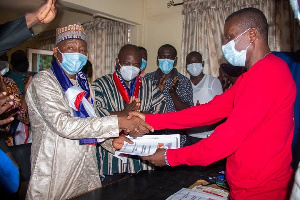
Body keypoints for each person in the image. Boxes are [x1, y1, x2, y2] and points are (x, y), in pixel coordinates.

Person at [120, 8, 296, 200]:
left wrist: (171, 157)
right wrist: (150, 119)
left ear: (252, 34)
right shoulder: (250, 77)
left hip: (264, 191)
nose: (225, 45)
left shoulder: (269, 74)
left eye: (230, 37)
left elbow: (225, 140)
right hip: (243, 189)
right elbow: (207, 112)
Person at [25, 24, 153, 200]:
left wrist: (112, 140)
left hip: (85, 172)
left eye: (82, 49)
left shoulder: (84, 85)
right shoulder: (44, 82)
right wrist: (119, 122)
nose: (77, 53)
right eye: (70, 47)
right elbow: (64, 124)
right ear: (56, 52)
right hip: (55, 174)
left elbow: (91, 123)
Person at [92, 44, 166, 184]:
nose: (131, 67)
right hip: (111, 164)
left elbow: (161, 112)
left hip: (143, 163)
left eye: (136, 64)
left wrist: (136, 117)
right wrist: (124, 113)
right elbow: (96, 118)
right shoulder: (100, 85)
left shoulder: (149, 86)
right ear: (117, 61)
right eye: (127, 63)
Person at [144, 44, 194, 146]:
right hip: (152, 135)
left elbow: (188, 112)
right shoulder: (147, 79)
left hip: (177, 137)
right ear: (158, 59)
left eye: (169, 57)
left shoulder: (184, 81)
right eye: (162, 57)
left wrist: (173, 93)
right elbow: (142, 109)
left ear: (175, 60)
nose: (165, 60)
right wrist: (156, 92)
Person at [185, 51, 223, 141]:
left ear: (202, 64)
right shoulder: (183, 83)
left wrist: (203, 111)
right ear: (186, 67)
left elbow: (221, 109)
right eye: (190, 63)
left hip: (208, 136)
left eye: (196, 62)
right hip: (188, 135)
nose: (193, 66)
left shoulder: (213, 82)